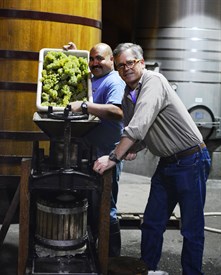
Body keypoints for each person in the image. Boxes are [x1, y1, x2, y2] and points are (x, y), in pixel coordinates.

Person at [93, 42, 211, 274]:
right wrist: (133, 147)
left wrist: (113, 158)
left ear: (142, 63)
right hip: (167, 164)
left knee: (191, 228)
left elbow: (137, 126)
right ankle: (147, 270)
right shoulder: (128, 94)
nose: (126, 68)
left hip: (191, 160)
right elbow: (142, 133)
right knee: (152, 224)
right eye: (120, 66)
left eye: (130, 62)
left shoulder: (153, 82)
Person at [63, 42, 125, 257]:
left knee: (107, 204)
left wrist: (86, 106)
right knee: (91, 201)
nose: (94, 63)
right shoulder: (96, 78)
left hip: (107, 153)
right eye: (91, 59)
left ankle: (111, 257)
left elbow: (117, 111)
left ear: (111, 61)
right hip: (90, 150)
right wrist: (74, 55)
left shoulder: (115, 80)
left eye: (100, 58)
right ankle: (93, 251)